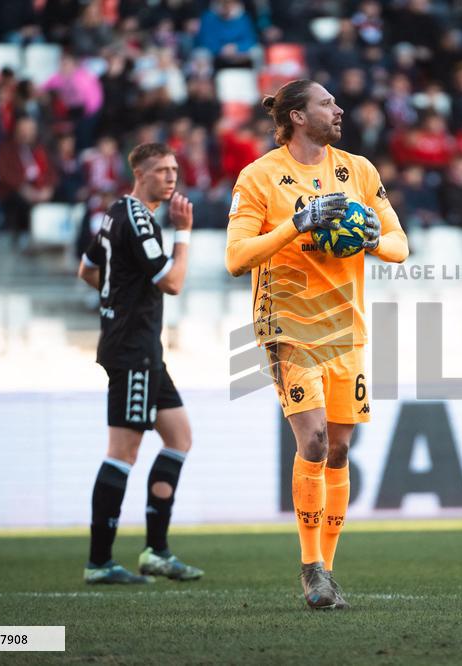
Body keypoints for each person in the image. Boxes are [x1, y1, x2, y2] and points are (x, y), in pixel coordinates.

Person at [225, 79, 408, 609]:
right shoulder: (259, 176)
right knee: (314, 442)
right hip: (286, 324)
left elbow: (399, 244)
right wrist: (298, 222)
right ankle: (312, 570)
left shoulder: (359, 170)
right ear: (298, 117)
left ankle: (328, 569)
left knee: (341, 448)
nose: (339, 109)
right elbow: (237, 258)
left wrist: (372, 240)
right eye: (327, 103)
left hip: (345, 328)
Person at [77, 143, 203, 585]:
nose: (171, 178)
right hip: (132, 350)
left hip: (144, 349)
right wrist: (184, 233)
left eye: (174, 169)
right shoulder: (138, 218)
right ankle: (99, 562)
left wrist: (119, 296)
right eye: (162, 170)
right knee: (123, 452)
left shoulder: (114, 213)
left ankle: (156, 551)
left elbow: (87, 270)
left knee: (179, 437)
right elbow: (172, 282)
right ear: (140, 174)